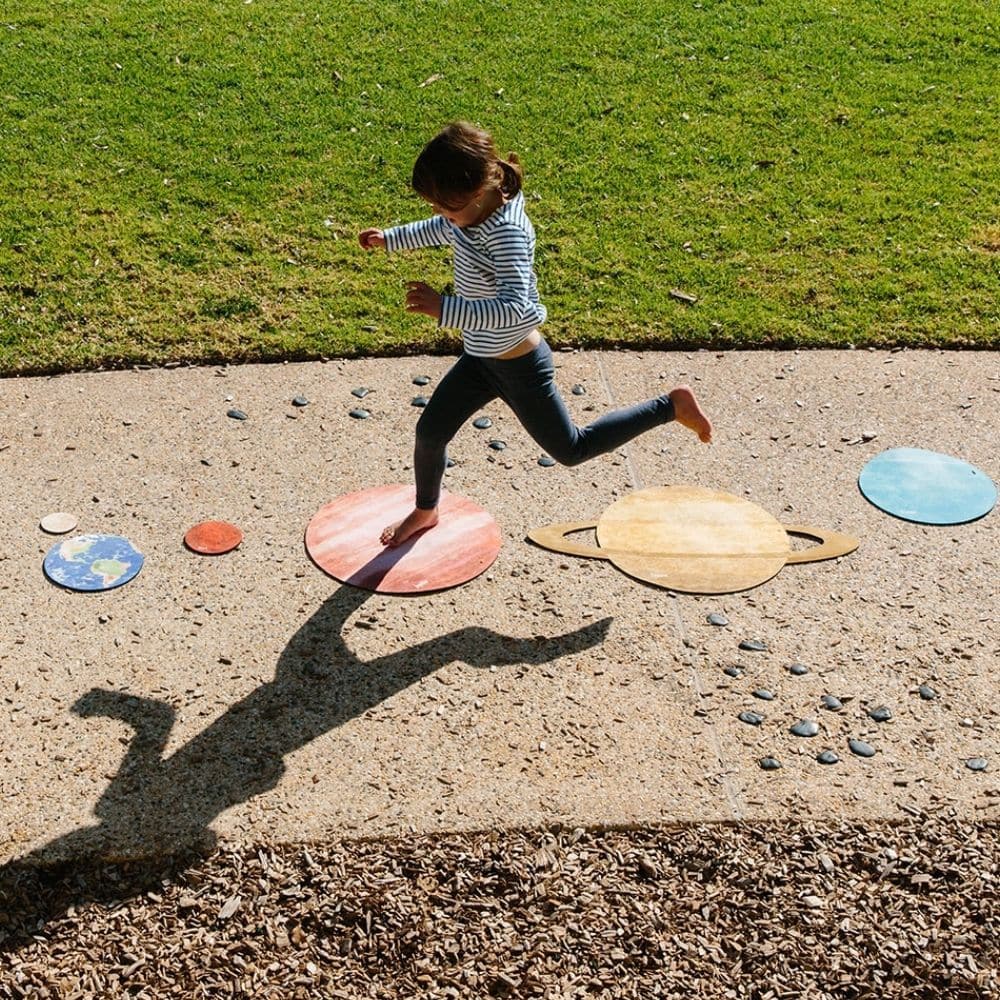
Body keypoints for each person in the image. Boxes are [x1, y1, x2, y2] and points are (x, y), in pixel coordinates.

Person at [359, 121, 712, 547]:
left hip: (520, 367)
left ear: (475, 194)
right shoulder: (467, 214)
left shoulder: (507, 235)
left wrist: (444, 307)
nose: (441, 217)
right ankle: (426, 510)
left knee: (571, 450)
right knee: (430, 433)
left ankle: (669, 407)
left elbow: (518, 309)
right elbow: (441, 229)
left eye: (446, 209)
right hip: (480, 361)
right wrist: (391, 239)